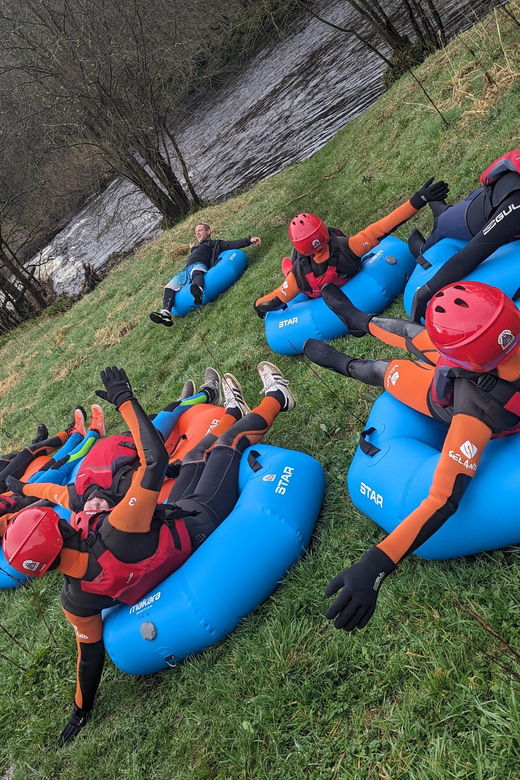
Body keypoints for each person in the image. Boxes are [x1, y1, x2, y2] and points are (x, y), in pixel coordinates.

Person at [2, 360, 294, 744]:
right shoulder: (117, 527)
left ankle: (232, 410)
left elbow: (88, 658)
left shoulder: (76, 600)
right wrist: (125, 400)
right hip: (200, 520)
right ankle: (278, 396)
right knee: (228, 447)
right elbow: (154, 460)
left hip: (174, 524)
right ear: (59, 529)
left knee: (191, 458)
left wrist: (80, 711)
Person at [303, 281, 520, 632]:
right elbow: (443, 497)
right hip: (456, 382)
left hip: (455, 380)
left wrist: (376, 563)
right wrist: (378, 562)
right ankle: (359, 322)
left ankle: (352, 348)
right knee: (409, 340)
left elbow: (443, 498)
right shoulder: (475, 406)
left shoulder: (476, 407)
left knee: (386, 368)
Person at [4, 371, 222, 518]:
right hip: (140, 443)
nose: (95, 506)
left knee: (157, 414)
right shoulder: (123, 489)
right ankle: (209, 393)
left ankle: (185, 402)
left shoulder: (75, 499)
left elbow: (49, 491)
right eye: (100, 511)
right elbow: (152, 471)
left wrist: (23, 487)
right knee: (169, 410)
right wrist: (173, 469)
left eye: (90, 510)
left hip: (117, 441)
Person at [252, 177, 449, 317]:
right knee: (293, 267)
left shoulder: (298, 276)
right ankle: (287, 267)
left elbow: (274, 299)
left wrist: (257, 306)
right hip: (334, 278)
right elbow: (384, 226)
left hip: (310, 288)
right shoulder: (350, 246)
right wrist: (418, 200)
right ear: (324, 232)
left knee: (291, 269)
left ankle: (287, 266)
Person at [410, 149, 520, 322]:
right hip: (484, 209)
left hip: (500, 193)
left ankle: (443, 211)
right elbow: (475, 251)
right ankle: (425, 248)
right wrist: (424, 293)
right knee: (445, 224)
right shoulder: (516, 208)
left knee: (455, 211)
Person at [150, 223, 262, 326]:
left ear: (209, 231)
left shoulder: (213, 244)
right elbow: (195, 253)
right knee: (169, 286)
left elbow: (230, 244)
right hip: (185, 271)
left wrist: (249, 240)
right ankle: (165, 313)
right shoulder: (198, 247)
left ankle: (198, 291)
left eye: (200, 230)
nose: (197, 233)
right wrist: (193, 248)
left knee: (196, 272)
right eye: (196, 232)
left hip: (199, 265)